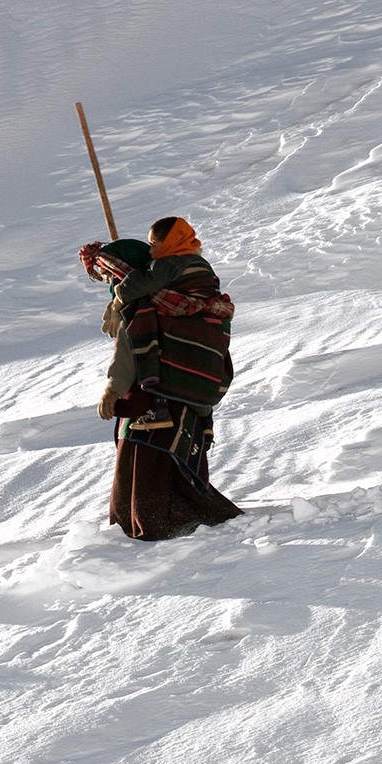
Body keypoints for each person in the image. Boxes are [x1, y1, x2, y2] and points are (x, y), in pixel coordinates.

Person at [79, 218, 242, 540]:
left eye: (156, 244)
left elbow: (129, 344)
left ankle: (151, 521)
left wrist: (113, 388)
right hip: (188, 386)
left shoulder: (154, 295)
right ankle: (181, 514)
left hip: (161, 388)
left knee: (148, 455)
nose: (153, 250)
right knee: (174, 452)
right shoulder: (181, 285)